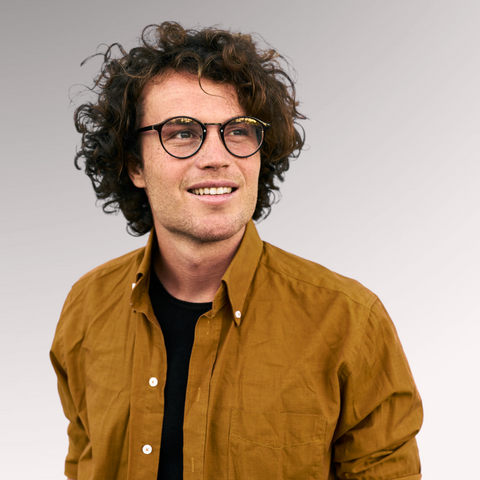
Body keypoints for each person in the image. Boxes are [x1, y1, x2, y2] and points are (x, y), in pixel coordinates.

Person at [50, 21, 423, 480]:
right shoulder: (85, 309)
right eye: (182, 133)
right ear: (134, 165)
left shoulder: (348, 322)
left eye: (239, 131)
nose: (217, 156)